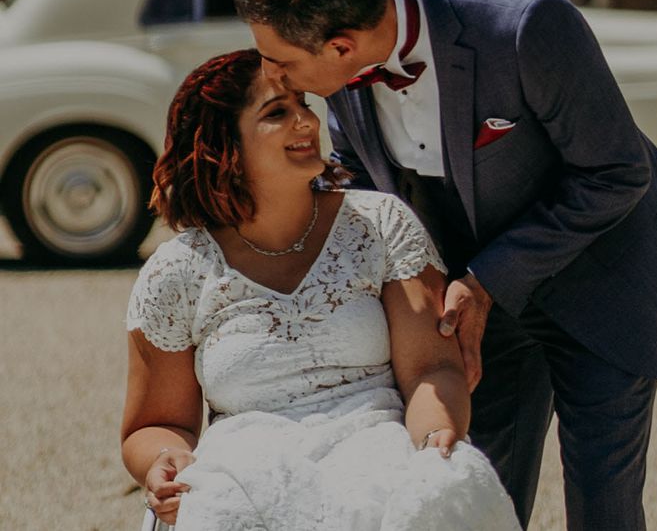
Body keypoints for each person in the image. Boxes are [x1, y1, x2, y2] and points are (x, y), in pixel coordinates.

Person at [232, 0, 657, 530]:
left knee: (601, 502)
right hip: (469, 296)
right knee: (472, 487)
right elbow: (365, 181)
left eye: (279, 61)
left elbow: (616, 173)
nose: (272, 75)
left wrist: (489, 278)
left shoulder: (523, 24)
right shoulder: (345, 50)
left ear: (342, 47)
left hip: (601, 275)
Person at [121, 49, 520, 530]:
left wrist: (436, 436)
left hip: (376, 449)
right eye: (277, 112)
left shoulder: (380, 223)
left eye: (303, 104)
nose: (306, 121)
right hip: (245, 469)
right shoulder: (176, 271)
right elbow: (155, 423)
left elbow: (432, 368)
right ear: (222, 145)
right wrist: (164, 459)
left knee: (434, 498)